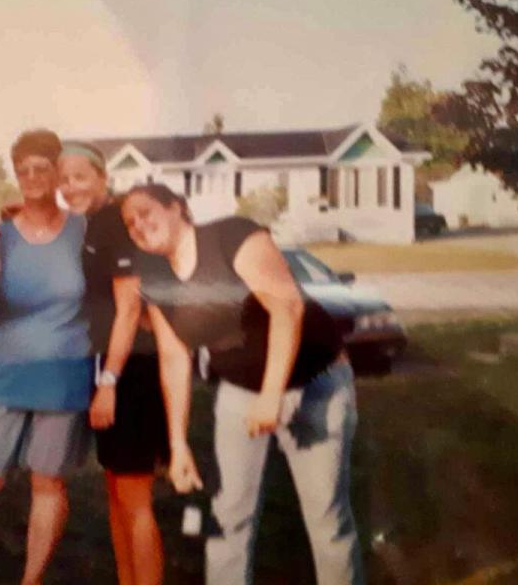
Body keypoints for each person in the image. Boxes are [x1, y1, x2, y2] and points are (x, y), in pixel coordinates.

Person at [119, 184, 364, 585]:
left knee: (326, 518)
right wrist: (178, 445)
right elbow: (174, 356)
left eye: (146, 213)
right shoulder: (155, 275)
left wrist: (272, 396)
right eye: (130, 223)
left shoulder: (232, 236)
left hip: (315, 381)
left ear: (177, 208)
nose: (139, 226)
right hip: (239, 389)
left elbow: (287, 306)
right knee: (227, 514)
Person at [0, 130, 93, 585]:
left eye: (42, 167)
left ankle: (31, 580)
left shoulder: (84, 229)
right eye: (24, 169)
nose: (33, 177)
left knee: (47, 483)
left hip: (64, 373)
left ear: (57, 170)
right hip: (3, 371)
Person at [59, 142, 168, 585]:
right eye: (63, 180)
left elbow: (129, 308)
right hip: (107, 365)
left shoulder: (119, 223)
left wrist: (108, 382)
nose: (70, 188)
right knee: (116, 491)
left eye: (80, 177)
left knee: (135, 497)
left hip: (130, 371)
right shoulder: (88, 224)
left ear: (102, 177)